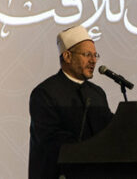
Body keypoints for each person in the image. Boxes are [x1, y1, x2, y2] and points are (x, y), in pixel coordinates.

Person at [28, 26, 114, 179]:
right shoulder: (44, 93)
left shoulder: (97, 93)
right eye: (87, 55)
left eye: (95, 55)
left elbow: (109, 130)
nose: (93, 60)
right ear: (67, 56)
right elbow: (52, 141)